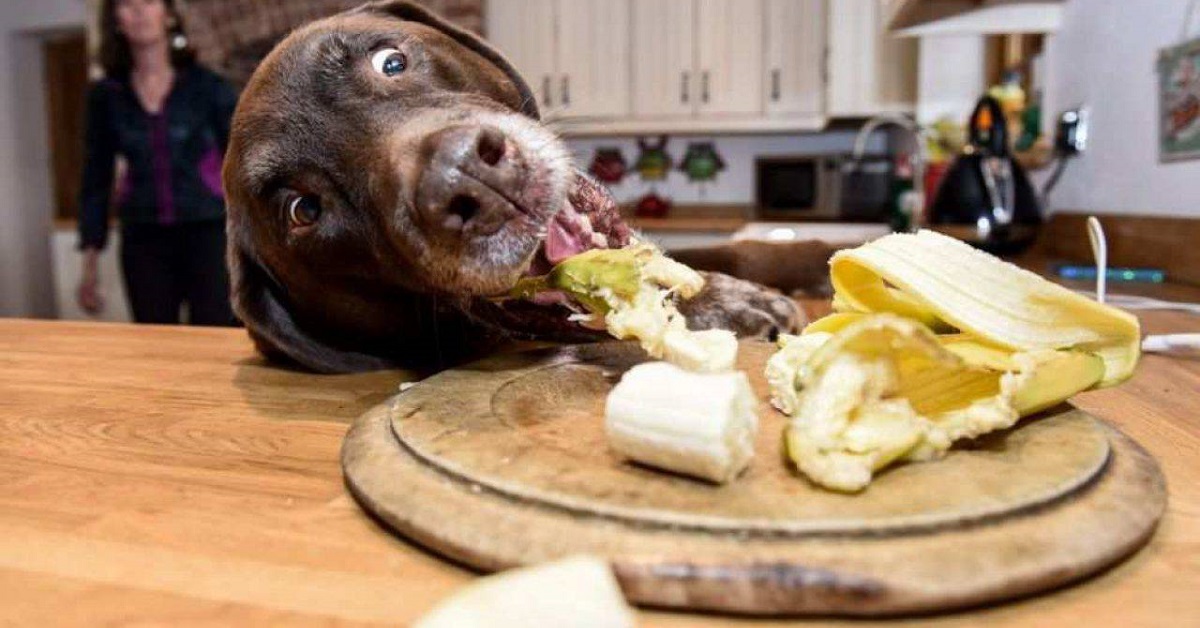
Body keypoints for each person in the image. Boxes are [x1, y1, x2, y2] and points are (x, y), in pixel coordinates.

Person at [77, 0, 238, 326]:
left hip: (207, 234)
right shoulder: (106, 96)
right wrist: (90, 265)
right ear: (116, 21)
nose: (139, 12)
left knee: (216, 338)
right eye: (127, 5)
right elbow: (96, 177)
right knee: (153, 343)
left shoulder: (209, 88)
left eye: (149, 2)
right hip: (143, 240)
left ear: (167, 15)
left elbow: (241, 165)